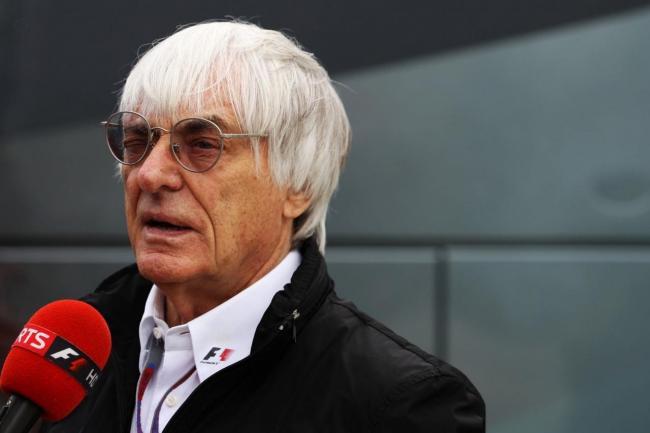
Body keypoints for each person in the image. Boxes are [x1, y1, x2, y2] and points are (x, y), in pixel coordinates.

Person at [42, 20, 484, 433]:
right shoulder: (61, 355)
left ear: (298, 184)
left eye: (202, 144)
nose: (150, 174)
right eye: (138, 141)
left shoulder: (399, 405)